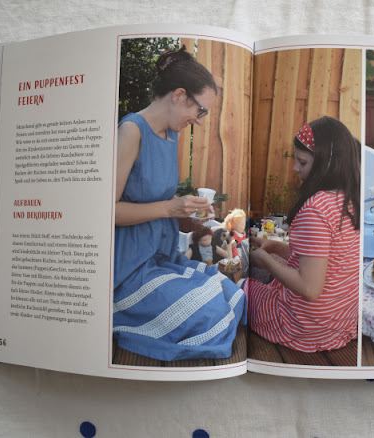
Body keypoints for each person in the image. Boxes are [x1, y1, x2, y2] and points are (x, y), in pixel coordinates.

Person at [112, 46, 245, 362]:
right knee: (209, 313)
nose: (199, 121)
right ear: (178, 95)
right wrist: (171, 208)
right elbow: (106, 210)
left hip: (158, 256)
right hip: (127, 267)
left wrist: (188, 208)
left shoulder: (170, 135)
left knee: (231, 292)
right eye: (200, 111)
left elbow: (157, 198)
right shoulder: (131, 131)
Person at [245, 116, 360, 353]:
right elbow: (323, 260)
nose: (295, 168)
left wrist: (264, 259)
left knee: (238, 289)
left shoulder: (316, 210)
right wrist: (275, 248)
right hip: (339, 320)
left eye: (302, 162)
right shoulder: (349, 199)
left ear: (326, 165)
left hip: (302, 325)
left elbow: (309, 288)